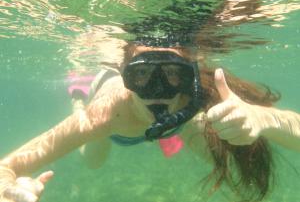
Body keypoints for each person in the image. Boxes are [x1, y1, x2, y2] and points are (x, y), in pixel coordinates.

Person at [1, 43, 300, 202]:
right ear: (126, 78)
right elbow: (7, 166)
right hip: (115, 126)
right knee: (93, 161)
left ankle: (167, 133)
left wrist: (263, 118)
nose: (157, 91)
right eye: (141, 75)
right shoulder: (105, 115)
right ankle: (78, 99)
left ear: (189, 79)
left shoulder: (198, 96)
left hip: (179, 120)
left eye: (172, 74)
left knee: (211, 145)